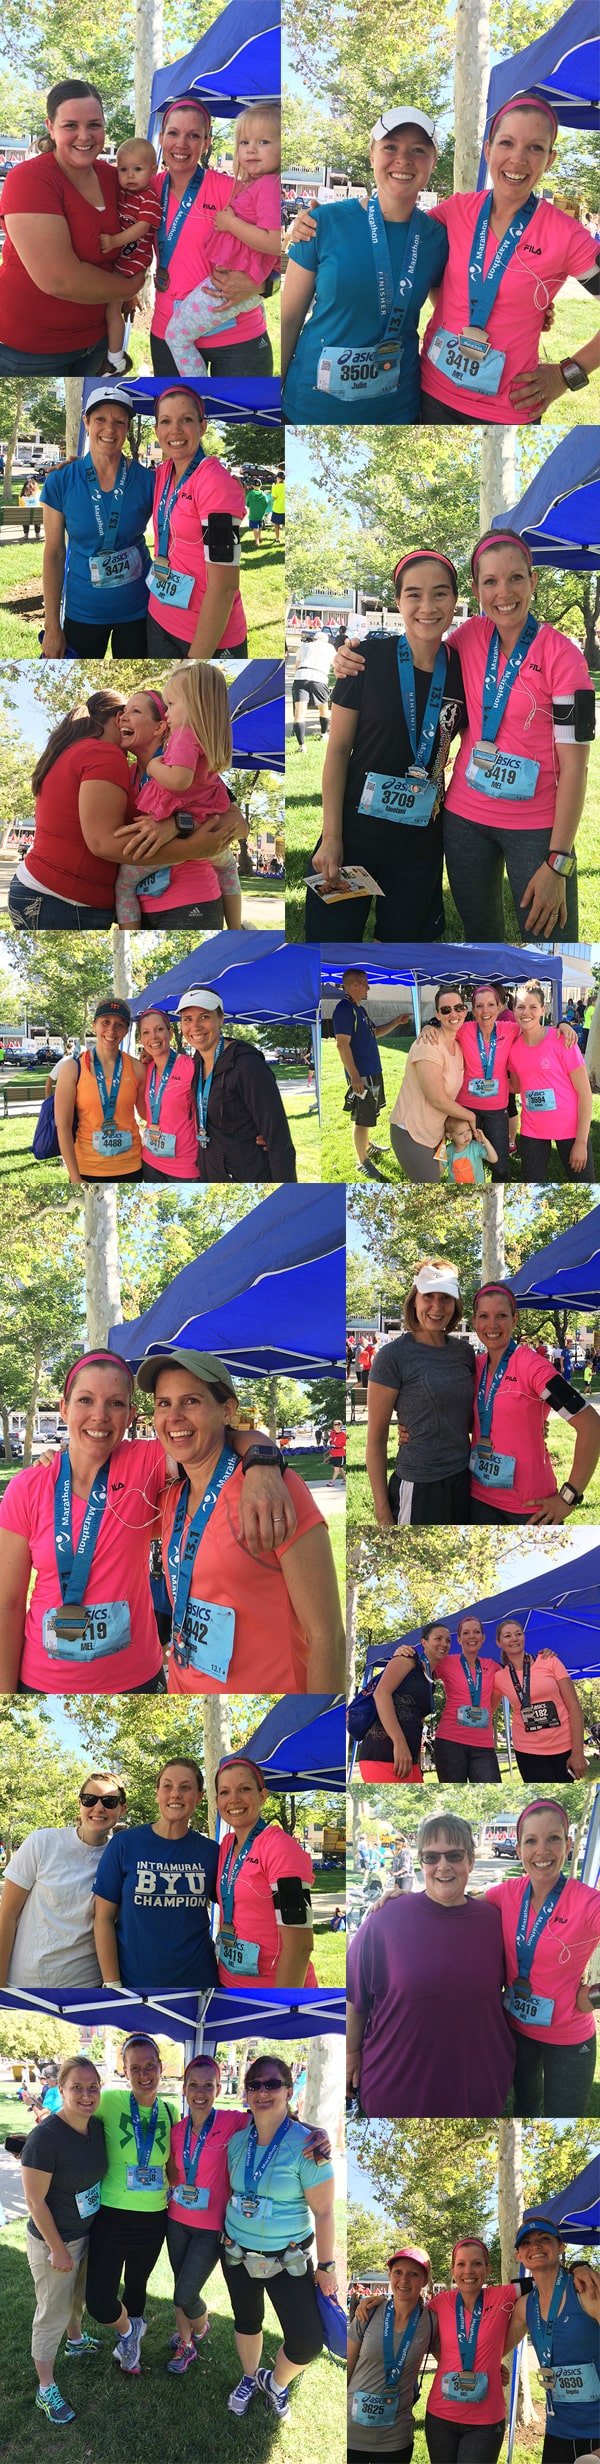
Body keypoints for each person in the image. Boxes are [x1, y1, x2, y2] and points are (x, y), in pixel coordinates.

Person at [0, 1345, 293, 1694]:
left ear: (131, 1415)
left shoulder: (146, 1462)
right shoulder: (27, 1487)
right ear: (64, 1409)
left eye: (116, 1403)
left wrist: (262, 1460)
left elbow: (218, 1436)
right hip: (43, 1680)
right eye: (85, 1400)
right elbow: (9, 1603)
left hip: (137, 1679)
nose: (99, 1416)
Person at [136, 1345, 345, 1694]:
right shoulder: (169, 1495)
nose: (173, 1416)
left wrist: (319, 1716)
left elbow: (327, 1637)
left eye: (191, 1401)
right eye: (163, 1403)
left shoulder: (273, 1490)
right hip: (185, 1682)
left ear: (227, 1410)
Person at [442, 532, 595, 942]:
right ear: (476, 589)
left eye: (515, 578)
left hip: (538, 830)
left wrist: (558, 861)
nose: (503, 593)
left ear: (533, 581)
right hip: (464, 820)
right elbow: (421, 663)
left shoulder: (564, 655)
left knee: (551, 944)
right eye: (490, 581)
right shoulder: (467, 637)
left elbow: (576, 767)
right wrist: (355, 656)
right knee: (479, 937)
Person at [420, 95, 600, 426]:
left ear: (549, 159)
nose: (517, 159)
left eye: (535, 148)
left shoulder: (567, 235)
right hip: (430, 395)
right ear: (488, 150)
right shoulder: (456, 211)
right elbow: (399, 235)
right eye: (507, 143)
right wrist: (320, 225)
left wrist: (567, 374)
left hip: (508, 412)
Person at [312, 554, 466, 940]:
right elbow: (337, 750)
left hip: (420, 843)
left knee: (404, 948)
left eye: (440, 594)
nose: (427, 607)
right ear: (398, 602)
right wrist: (332, 836)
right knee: (330, 946)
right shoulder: (364, 660)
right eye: (414, 595)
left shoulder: (466, 672)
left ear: (456, 600)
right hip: (354, 835)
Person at [166, 2052, 330, 2379]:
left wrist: (317, 2130)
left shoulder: (231, 2122)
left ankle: (200, 2329)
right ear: (183, 2089)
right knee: (178, 2291)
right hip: (179, 2221)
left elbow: (277, 2121)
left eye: (208, 2085)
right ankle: (186, 2343)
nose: (200, 2092)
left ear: (218, 2088)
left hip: (214, 2228)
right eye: (193, 2085)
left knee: (186, 2293)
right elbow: (173, 2170)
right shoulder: (176, 2128)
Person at [282, 107, 448, 423]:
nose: (403, 159)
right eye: (390, 147)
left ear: (432, 163)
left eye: (418, 150)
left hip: (396, 411)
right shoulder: (322, 222)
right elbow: (289, 318)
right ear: (372, 155)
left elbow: (452, 310)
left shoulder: (437, 237)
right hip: (312, 407)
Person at [346, 1812, 515, 2118]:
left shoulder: (496, 1923)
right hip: (396, 2087)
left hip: (477, 2088)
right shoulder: (386, 1919)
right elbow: (355, 1998)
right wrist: (350, 2053)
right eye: (431, 1857)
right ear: (420, 1862)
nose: (443, 1866)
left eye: (454, 1855)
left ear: (470, 1861)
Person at [0, 79, 143, 375]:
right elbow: (59, 280)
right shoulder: (29, 179)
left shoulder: (112, 176)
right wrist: (130, 285)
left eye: (94, 125)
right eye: (70, 126)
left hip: (98, 342)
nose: (84, 136)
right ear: (50, 127)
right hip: (29, 352)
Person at [221, 2052, 336, 2420]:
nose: (263, 2091)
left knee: (306, 2342)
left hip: (288, 2259)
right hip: (237, 2252)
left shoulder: (309, 2147)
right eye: (254, 2085)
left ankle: (275, 2382)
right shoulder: (238, 2139)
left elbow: (324, 2212)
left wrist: (328, 2264)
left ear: (288, 2089)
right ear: (246, 2093)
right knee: (247, 2321)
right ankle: (248, 2376)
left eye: (272, 2083)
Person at [486, 1798, 600, 2116]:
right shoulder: (506, 1893)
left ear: (568, 1843)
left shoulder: (587, 1902)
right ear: (519, 1848)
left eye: (553, 1838)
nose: (542, 1851)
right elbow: (457, 1909)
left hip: (569, 2036)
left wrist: (593, 1996)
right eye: (531, 1841)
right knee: (524, 2107)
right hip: (517, 2030)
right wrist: (403, 1903)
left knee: (563, 2118)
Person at [151, 97, 274, 379]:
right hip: (168, 331)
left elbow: (274, 246)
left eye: (193, 136)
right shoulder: (148, 190)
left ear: (206, 142)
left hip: (237, 337)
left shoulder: (233, 190)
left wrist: (262, 285)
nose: (181, 144)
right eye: (173, 133)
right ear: (161, 137)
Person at [468, 1282, 600, 1525]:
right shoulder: (473, 1366)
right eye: (484, 1316)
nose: (492, 1325)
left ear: (515, 1319)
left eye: (502, 1316)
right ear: (474, 1320)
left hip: (530, 1509)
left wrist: (568, 1497)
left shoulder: (533, 1367)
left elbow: (591, 1424)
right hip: (478, 1500)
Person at [21, 2056, 107, 2427]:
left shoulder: (97, 2128)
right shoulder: (46, 2138)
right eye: (77, 2088)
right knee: (51, 2313)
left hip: (85, 2232)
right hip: (53, 2241)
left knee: (77, 2298)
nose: (86, 2095)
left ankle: (76, 2341)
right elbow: (34, 2200)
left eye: (92, 2088)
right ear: (61, 2090)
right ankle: (45, 2388)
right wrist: (57, 2248)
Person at [84, 2035, 178, 2376]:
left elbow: (174, 2165)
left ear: (160, 2067)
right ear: (124, 2072)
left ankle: (130, 2344)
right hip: (110, 2216)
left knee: (137, 2287)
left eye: (149, 2065)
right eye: (134, 2067)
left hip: (153, 2219)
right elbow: (70, 2116)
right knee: (98, 2299)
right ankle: (129, 2330)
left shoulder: (170, 2110)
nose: (143, 2074)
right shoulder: (109, 2101)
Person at [114, 665, 233, 929]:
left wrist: (176, 825)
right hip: (148, 908)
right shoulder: (126, 774)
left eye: (135, 711)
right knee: (229, 866)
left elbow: (236, 824)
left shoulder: (182, 744)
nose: (122, 717)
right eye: (121, 712)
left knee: (123, 883)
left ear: (159, 727)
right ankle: (238, 928)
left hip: (190, 899)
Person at [41, 387, 154, 660]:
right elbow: (54, 553)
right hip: (83, 612)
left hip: (139, 610)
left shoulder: (148, 481)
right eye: (100, 419)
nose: (109, 429)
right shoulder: (61, 481)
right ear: (86, 422)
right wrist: (52, 625)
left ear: (128, 428)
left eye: (119, 422)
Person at [93, 1757, 218, 1990]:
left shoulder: (211, 1852)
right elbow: (103, 1918)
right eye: (167, 1786)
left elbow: (237, 1905)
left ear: (199, 1797)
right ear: (157, 1793)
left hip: (199, 1983)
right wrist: (112, 1982)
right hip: (136, 1985)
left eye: (186, 1787)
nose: (175, 1794)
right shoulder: (125, 1844)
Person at [366, 1259, 475, 1526]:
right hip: (419, 1485)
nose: (437, 1307)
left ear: (456, 1304)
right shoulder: (393, 1356)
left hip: (466, 1478)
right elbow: (375, 1439)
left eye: (446, 1298)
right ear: (415, 1299)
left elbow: (471, 1414)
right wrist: (383, 1512)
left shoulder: (464, 1352)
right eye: (429, 1296)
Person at [146, 387, 248, 660]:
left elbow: (226, 585)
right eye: (166, 421)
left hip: (206, 637)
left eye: (186, 420)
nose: (175, 430)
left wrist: (196, 660)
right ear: (156, 429)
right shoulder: (162, 473)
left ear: (202, 426)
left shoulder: (215, 483)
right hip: (159, 617)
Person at [0, 1772, 126, 1987]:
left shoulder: (122, 1855)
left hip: (86, 1987)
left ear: (122, 1809)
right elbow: (8, 1915)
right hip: (25, 1983)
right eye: (89, 1799)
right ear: (80, 1803)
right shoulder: (42, 1842)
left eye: (109, 1801)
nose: (98, 1807)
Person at [214, 1753, 317, 1988]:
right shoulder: (226, 1846)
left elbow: (300, 1944)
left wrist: (281, 2007)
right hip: (229, 1989)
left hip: (271, 1996)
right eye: (225, 1792)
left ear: (262, 1796)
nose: (234, 1799)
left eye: (244, 1789)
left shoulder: (280, 1848)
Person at [175, 987, 298, 1182]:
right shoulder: (197, 1060)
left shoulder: (247, 1066)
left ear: (221, 1018)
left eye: (204, 1017)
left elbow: (279, 1141)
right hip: (210, 1173)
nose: (195, 1027)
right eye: (187, 1019)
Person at [509, 2215, 600, 2462]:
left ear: (561, 2246)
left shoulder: (587, 2290)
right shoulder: (524, 2306)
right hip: (558, 2431)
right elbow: (493, 2348)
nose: (535, 2246)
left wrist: (579, 2267)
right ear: (519, 2255)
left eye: (544, 2239)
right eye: (526, 2242)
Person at [423, 2236, 518, 2464]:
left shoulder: (503, 2295)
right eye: (462, 2264)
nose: (469, 2271)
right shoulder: (439, 2303)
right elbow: (405, 2313)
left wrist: (579, 2268)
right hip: (440, 2416)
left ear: (488, 2268)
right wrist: (376, 2302)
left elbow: (543, 2281)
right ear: (453, 2270)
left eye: (477, 2263)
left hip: (485, 2422)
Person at [347, 2244, 434, 2461]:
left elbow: (454, 2355)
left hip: (394, 2439)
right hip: (350, 2432)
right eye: (398, 2272)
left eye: (413, 2274)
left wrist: (491, 2367)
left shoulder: (431, 2321)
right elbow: (347, 2367)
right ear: (389, 2275)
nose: (404, 2280)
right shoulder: (368, 2312)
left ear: (424, 2280)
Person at [389, 985, 479, 1183]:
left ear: (465, 1010)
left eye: (459, 1008)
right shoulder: (428, 1045)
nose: (453, 1013)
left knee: (437, 1177)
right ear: (438, 1014)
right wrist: (470, 1117)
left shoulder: (457, 1045)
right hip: (411, 1131)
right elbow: (437, 1098)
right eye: (446, 1010)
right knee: (430, 1184)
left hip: (436, 1132)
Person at [509, 979, 594, 1182]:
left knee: (584, 1183)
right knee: (531, 1183)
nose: (526, 1012)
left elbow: (585, 1093)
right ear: (513, 1010)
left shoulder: (563, 1040)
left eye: (532, 1007)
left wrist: (581, 1142)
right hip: (532, 1130)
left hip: (570, 1128)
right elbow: (516, 1086)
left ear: (543, 1009)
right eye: (520, 1007)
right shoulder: (513, 1049)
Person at [54, 996, 143, 1184]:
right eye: (106, 1022)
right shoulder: (73, 1068)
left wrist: (158, 1063)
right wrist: (75, 1176)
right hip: (87, 1168)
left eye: (120, 1024)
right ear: (94, 1025)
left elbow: (147, 1113)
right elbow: (62, 1126)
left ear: (126, 1031)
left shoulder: (138, 1068)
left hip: (131, 1166)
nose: (112, 1030)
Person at [332, 965, 409, 1180]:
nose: (369, 988)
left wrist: (396, 1021)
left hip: (372, 1071)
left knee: (370, 1114)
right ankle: (362, 1162)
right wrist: (355, 1077)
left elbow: (374, 1033)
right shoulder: (344, 1010)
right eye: (366, 983)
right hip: (362, 1075)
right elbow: (342, 1045)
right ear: (354, 984)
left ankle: (367, 1146)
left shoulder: (359, 1009)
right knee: (362, 1118)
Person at [491, 1616, 588, 1781]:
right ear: (499, 1642)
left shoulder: (550, 1661)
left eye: (518, 1634)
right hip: (528, 1750)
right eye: (507, 1636)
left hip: (563, 1745)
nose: (514, 1638)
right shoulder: (499, 1677)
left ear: (524, 1637)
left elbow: (574, 1707)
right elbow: (488, 1710)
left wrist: (578, 1752)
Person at [355, 1624, 451, 1783]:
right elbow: (381, 1694)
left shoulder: (430, 1679)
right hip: (383, 1752)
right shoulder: (407, 1659)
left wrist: (418, 1759)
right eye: (438, 1638)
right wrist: (399, 1743)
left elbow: (418, 1718)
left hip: (409, 1758)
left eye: (448, 1640)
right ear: (424, 1642)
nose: (444, 1644)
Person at [98, 138, 161, 372]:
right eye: (123, 169)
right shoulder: (124, 194)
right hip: (122, 257)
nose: (130, 176)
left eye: (137, 169)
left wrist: (115, 241)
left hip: (131, 261)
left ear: (153, 170)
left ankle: (116, 360)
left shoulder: (149, 198)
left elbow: (142, 227)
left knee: (111, 309)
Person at [138, 1008, 197, 1182]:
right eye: (146, 1032)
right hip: (150, 1161)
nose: (153, 1037)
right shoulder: (144, 1069)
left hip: (184, 1166)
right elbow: (145, 1114)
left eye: (159, 1029)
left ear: (170, 1033)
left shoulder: (191, 1067)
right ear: (141, 1039)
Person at [291, 627, 333, 751]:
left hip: (300, 676)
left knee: (299, 713)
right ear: (326, 640)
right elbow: (336, 664)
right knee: (323, 708)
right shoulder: (329, 648)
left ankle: (301, 746)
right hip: (319, 677)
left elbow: (296, 665)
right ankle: (324, 734)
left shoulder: (304, 646)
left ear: (314, 639)